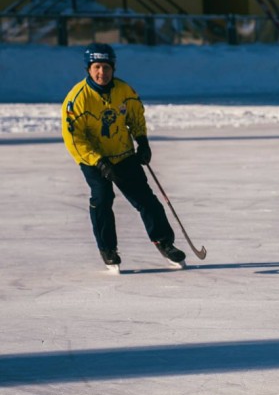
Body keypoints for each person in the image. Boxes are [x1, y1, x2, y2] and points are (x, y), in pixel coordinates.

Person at [61, 43, 186, 271]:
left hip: (122, 154)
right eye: (97, 67)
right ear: (89, 69)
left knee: (146, 200)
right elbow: (74, 138)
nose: (102, 73)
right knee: (102, 198)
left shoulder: (124, 90)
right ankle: (108, 249)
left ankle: (165, 243)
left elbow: (136, 116)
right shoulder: (76, 99)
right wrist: (98, 161)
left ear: (113, 68)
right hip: (93, 159)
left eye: (106, 67)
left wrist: (143, 141)